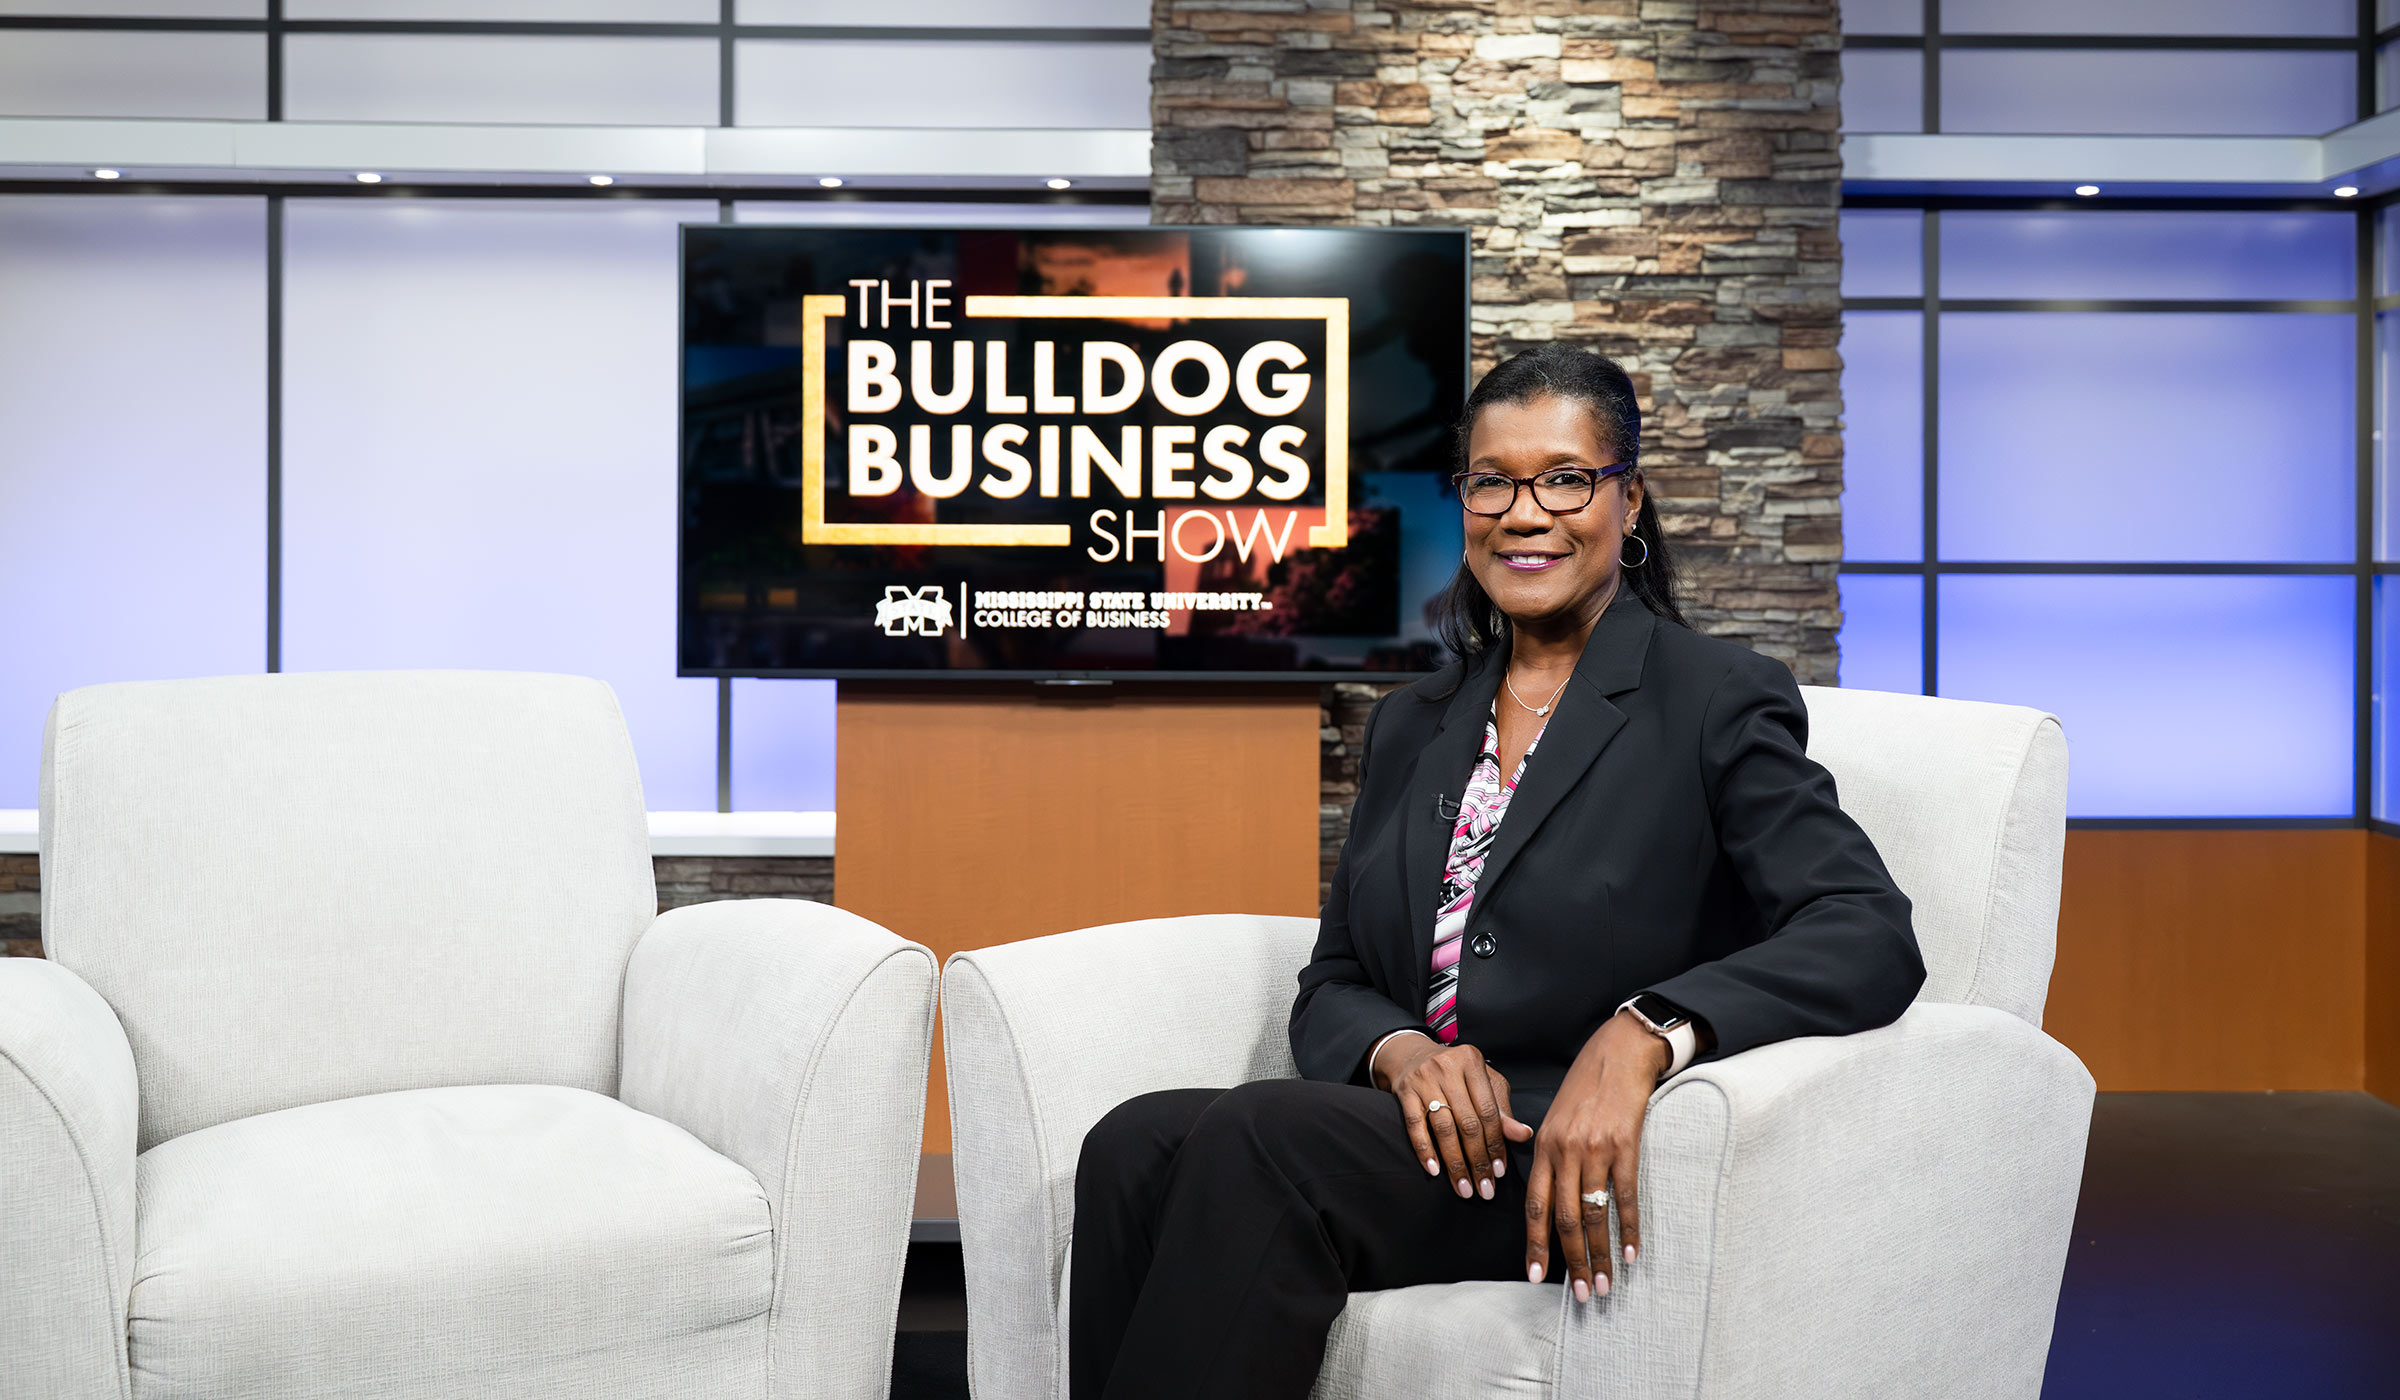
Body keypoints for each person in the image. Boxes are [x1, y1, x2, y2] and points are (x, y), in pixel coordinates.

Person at [1069, 343, 1925, 1400]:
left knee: (1262, 1135)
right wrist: (1399, 1052)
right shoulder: (1415, 721)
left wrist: (1645, 1029)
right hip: (1420, 1132)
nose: (1525, 513)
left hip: (1566, 1144)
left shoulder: (1714, 698)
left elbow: (1866, 926)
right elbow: (1335, 976)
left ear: (1629, 499)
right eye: (1491, 479)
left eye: (1565, 476)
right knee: (1133, 1140)